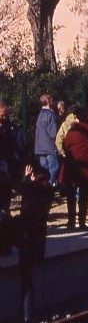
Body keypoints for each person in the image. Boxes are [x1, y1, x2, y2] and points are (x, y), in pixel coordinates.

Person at [14, 164, 53, 323]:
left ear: (33, 175)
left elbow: (18, 187)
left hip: (27, 237)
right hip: (39, 238)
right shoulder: (49, 190)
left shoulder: (31, 188)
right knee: (34, 277)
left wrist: (25, 177)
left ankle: (26, 316)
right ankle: (34, 313)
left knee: (26, 279)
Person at [0, 100, 25, 256]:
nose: (2, 118)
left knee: (3, 209)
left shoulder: (12, 130)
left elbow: (20, 151)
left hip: (6, 175)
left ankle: (4, 244)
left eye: (4, 115)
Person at [34, 94, 59, 185]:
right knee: (54, 167)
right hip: (49, 146)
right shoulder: (51, 114)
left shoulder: (39, 114)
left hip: (40, 146)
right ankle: (48, 185)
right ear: (48, 102)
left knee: (44, 168)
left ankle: (43, 186)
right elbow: (53, 133)